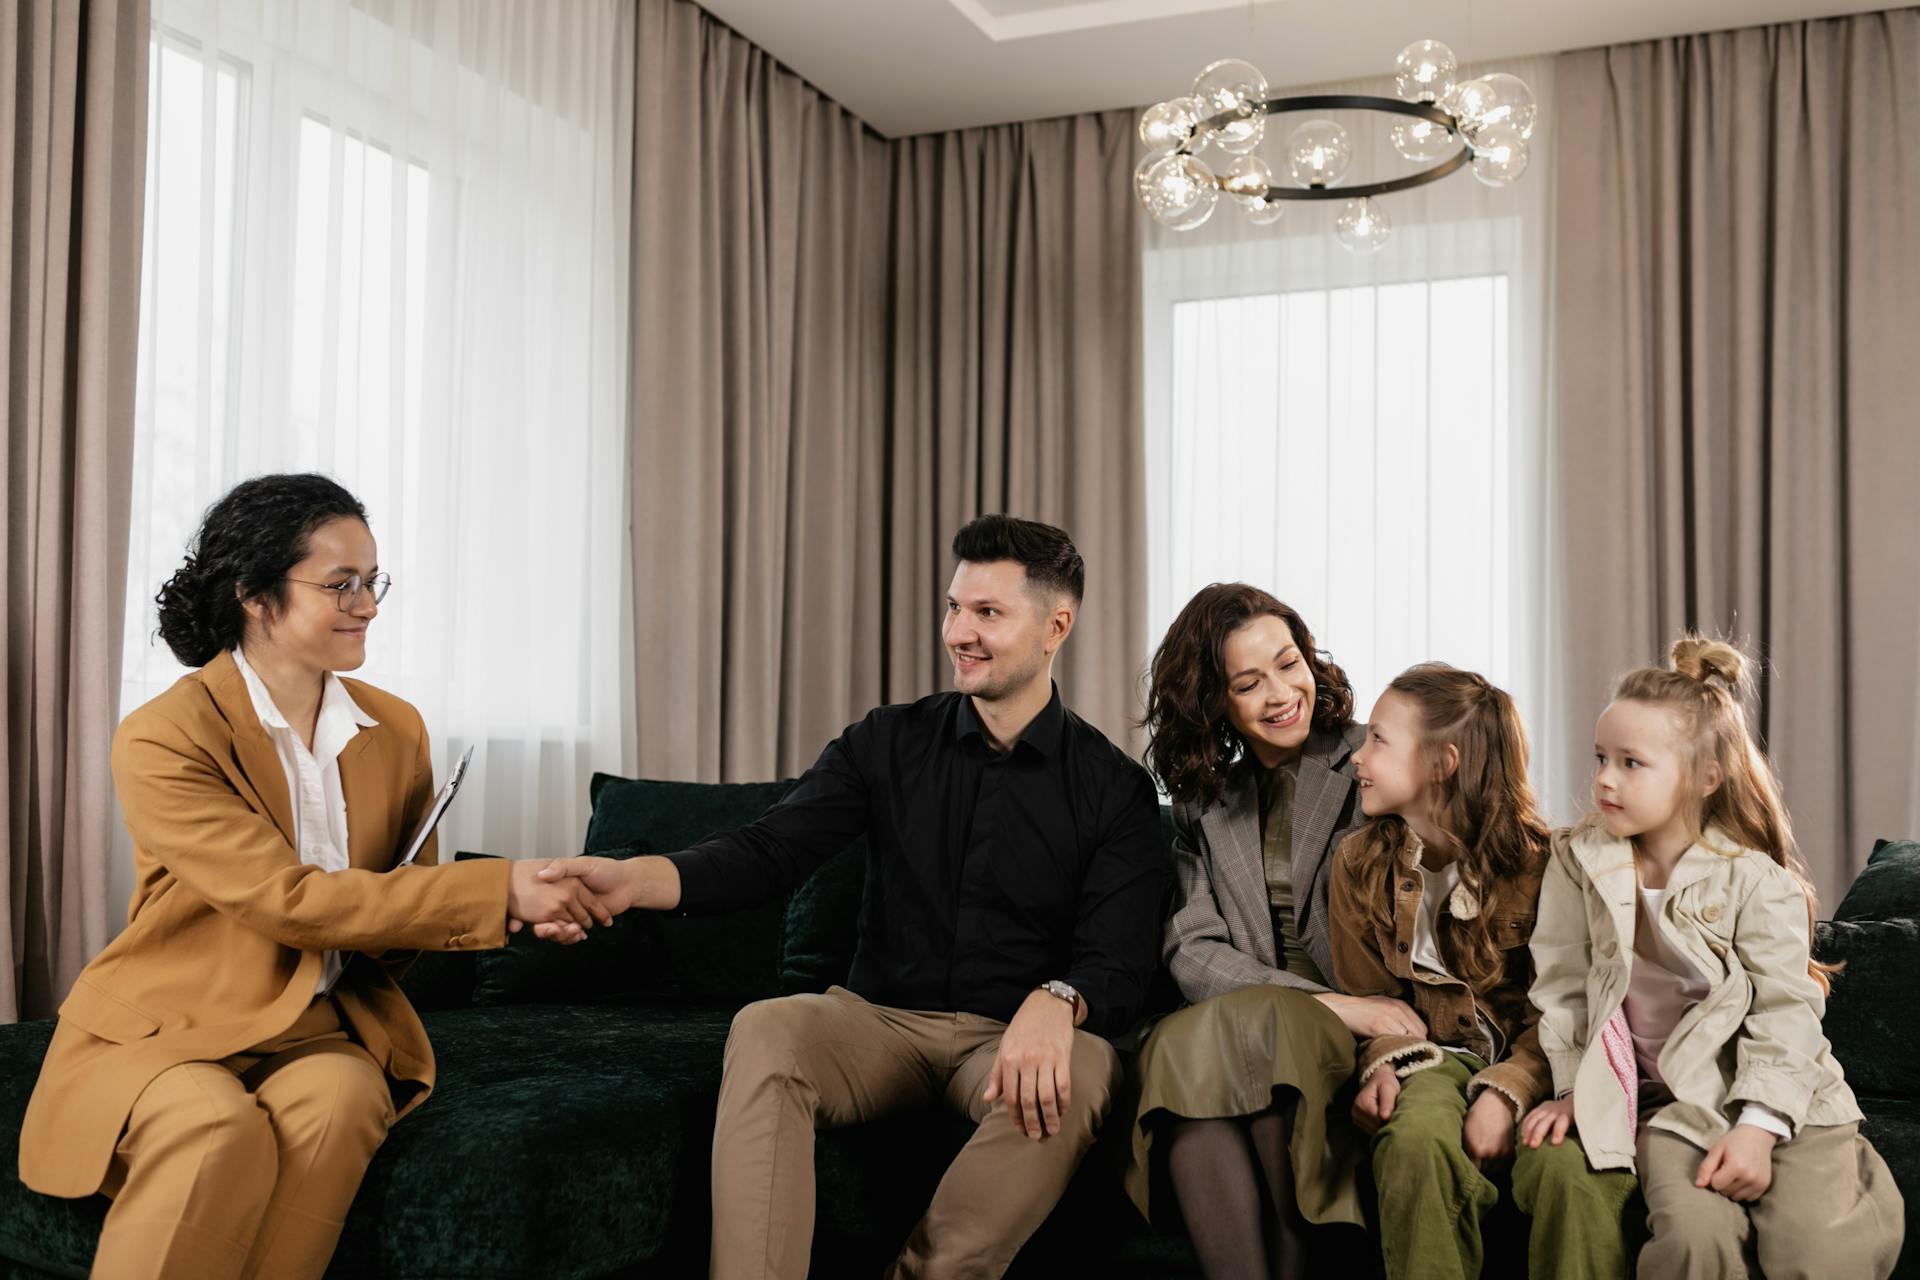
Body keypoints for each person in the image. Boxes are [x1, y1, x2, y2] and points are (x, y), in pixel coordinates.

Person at [538, 514, 1168, 1280]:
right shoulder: (887, 741)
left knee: (1088, 1068)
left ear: (1055, 626)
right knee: (770, 1028)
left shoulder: (1115, 789)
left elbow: (1121, 958)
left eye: (987, 613)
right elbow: (768, 852)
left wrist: (1059, 1000)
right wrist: (632, 877)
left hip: (1003, 1039)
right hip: (878, 1024)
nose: (958, 632)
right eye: (953, 607)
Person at [17, 473, 604, 1280]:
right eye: (341, 585)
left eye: (374, 582)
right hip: (177, 1022)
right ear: (256, 596)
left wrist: (516, 914)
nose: (367, 605)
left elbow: (396, 916)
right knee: (214, 1126)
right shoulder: (164, 736)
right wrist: (497, 889)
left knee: (344, 1101)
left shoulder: (395, 729)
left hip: (322, 1027)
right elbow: (287, 901)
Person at [1520, 636, 1904, 1279]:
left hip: (1785, 1100)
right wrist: (1573, 1088)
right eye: (1600, 758)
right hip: (1677, 1111)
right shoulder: (1576, 859)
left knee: (1810, 1249)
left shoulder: (1755, 881)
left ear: (1705, 777)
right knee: (1693, 1239)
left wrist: (1758, 1125)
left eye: (1632, 763)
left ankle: (1853, 1185)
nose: (1605, 780)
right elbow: (1561, 984)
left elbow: (1787, 1011)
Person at [1120, 584, 1408, 1278]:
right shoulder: (1203, 801)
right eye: (1249, 683)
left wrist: (1345, 1010)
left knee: (1245, 1044)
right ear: (1213, 702)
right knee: (1182, 1049)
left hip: (1341, 1026)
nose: (1282, 693)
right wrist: (1336, 1006)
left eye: (1289, 663)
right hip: (1280, 1013)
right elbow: (1191, 950)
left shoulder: (1375, 757)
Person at [1329, 663, 1636, 1280]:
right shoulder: (1358, 862)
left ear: (1443, 763)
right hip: (1433, 1060)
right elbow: (1369, 998)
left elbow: (1567, 1010)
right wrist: (1385, 1063)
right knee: (1414, 1141)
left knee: (1571, 1173)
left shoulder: (1548, 865)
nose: (1357, 755)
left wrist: (1506, 1091)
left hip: (1544, 1060)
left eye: (1379, 739)